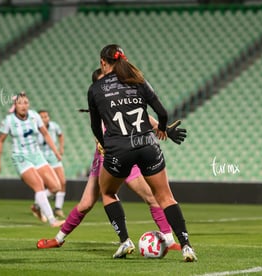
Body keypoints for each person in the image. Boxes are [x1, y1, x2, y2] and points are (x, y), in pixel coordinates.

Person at [37, 68, 186, 251]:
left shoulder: (117, 96)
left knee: (151, 197)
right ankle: (59, 239)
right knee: (86, 204)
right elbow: (97, 131)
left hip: (125, 151)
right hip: (107, 156)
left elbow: (143, 115)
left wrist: (164, 129)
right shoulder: (99, 101)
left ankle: (167, 242)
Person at [88, 44, 197, 261]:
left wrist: (106, 145)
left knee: (108, 192)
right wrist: (163, 129)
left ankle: (125, 241)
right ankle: (186, 246)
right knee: (165, 197)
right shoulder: (138, 81)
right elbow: (163, 113)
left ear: (103, 62)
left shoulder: (96, 89)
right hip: (148, 145)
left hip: (118, 149)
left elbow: (94, 126)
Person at [0, 92, 65, 227]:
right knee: (39, 185)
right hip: (21, 157)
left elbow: (45, 134)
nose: (23, 105)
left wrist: (56, 152)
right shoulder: (9, 121)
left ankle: (37, 206)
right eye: (20, 103)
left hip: (37, 155)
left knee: (56, 186)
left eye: (26, 102)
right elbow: (0, 141)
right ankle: (52, 220)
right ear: (15, 105)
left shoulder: (34, 116)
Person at [31, 110, 66, 219]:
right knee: (45, 184)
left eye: (46, 116)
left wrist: (61, 147)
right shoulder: (34, 129)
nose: (44, 119)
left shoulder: (54, 126)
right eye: (42, 117)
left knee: (62, 182)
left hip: (53, 156)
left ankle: (58, 208)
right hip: (41, 158)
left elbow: (60, 135)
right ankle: (38, 205)